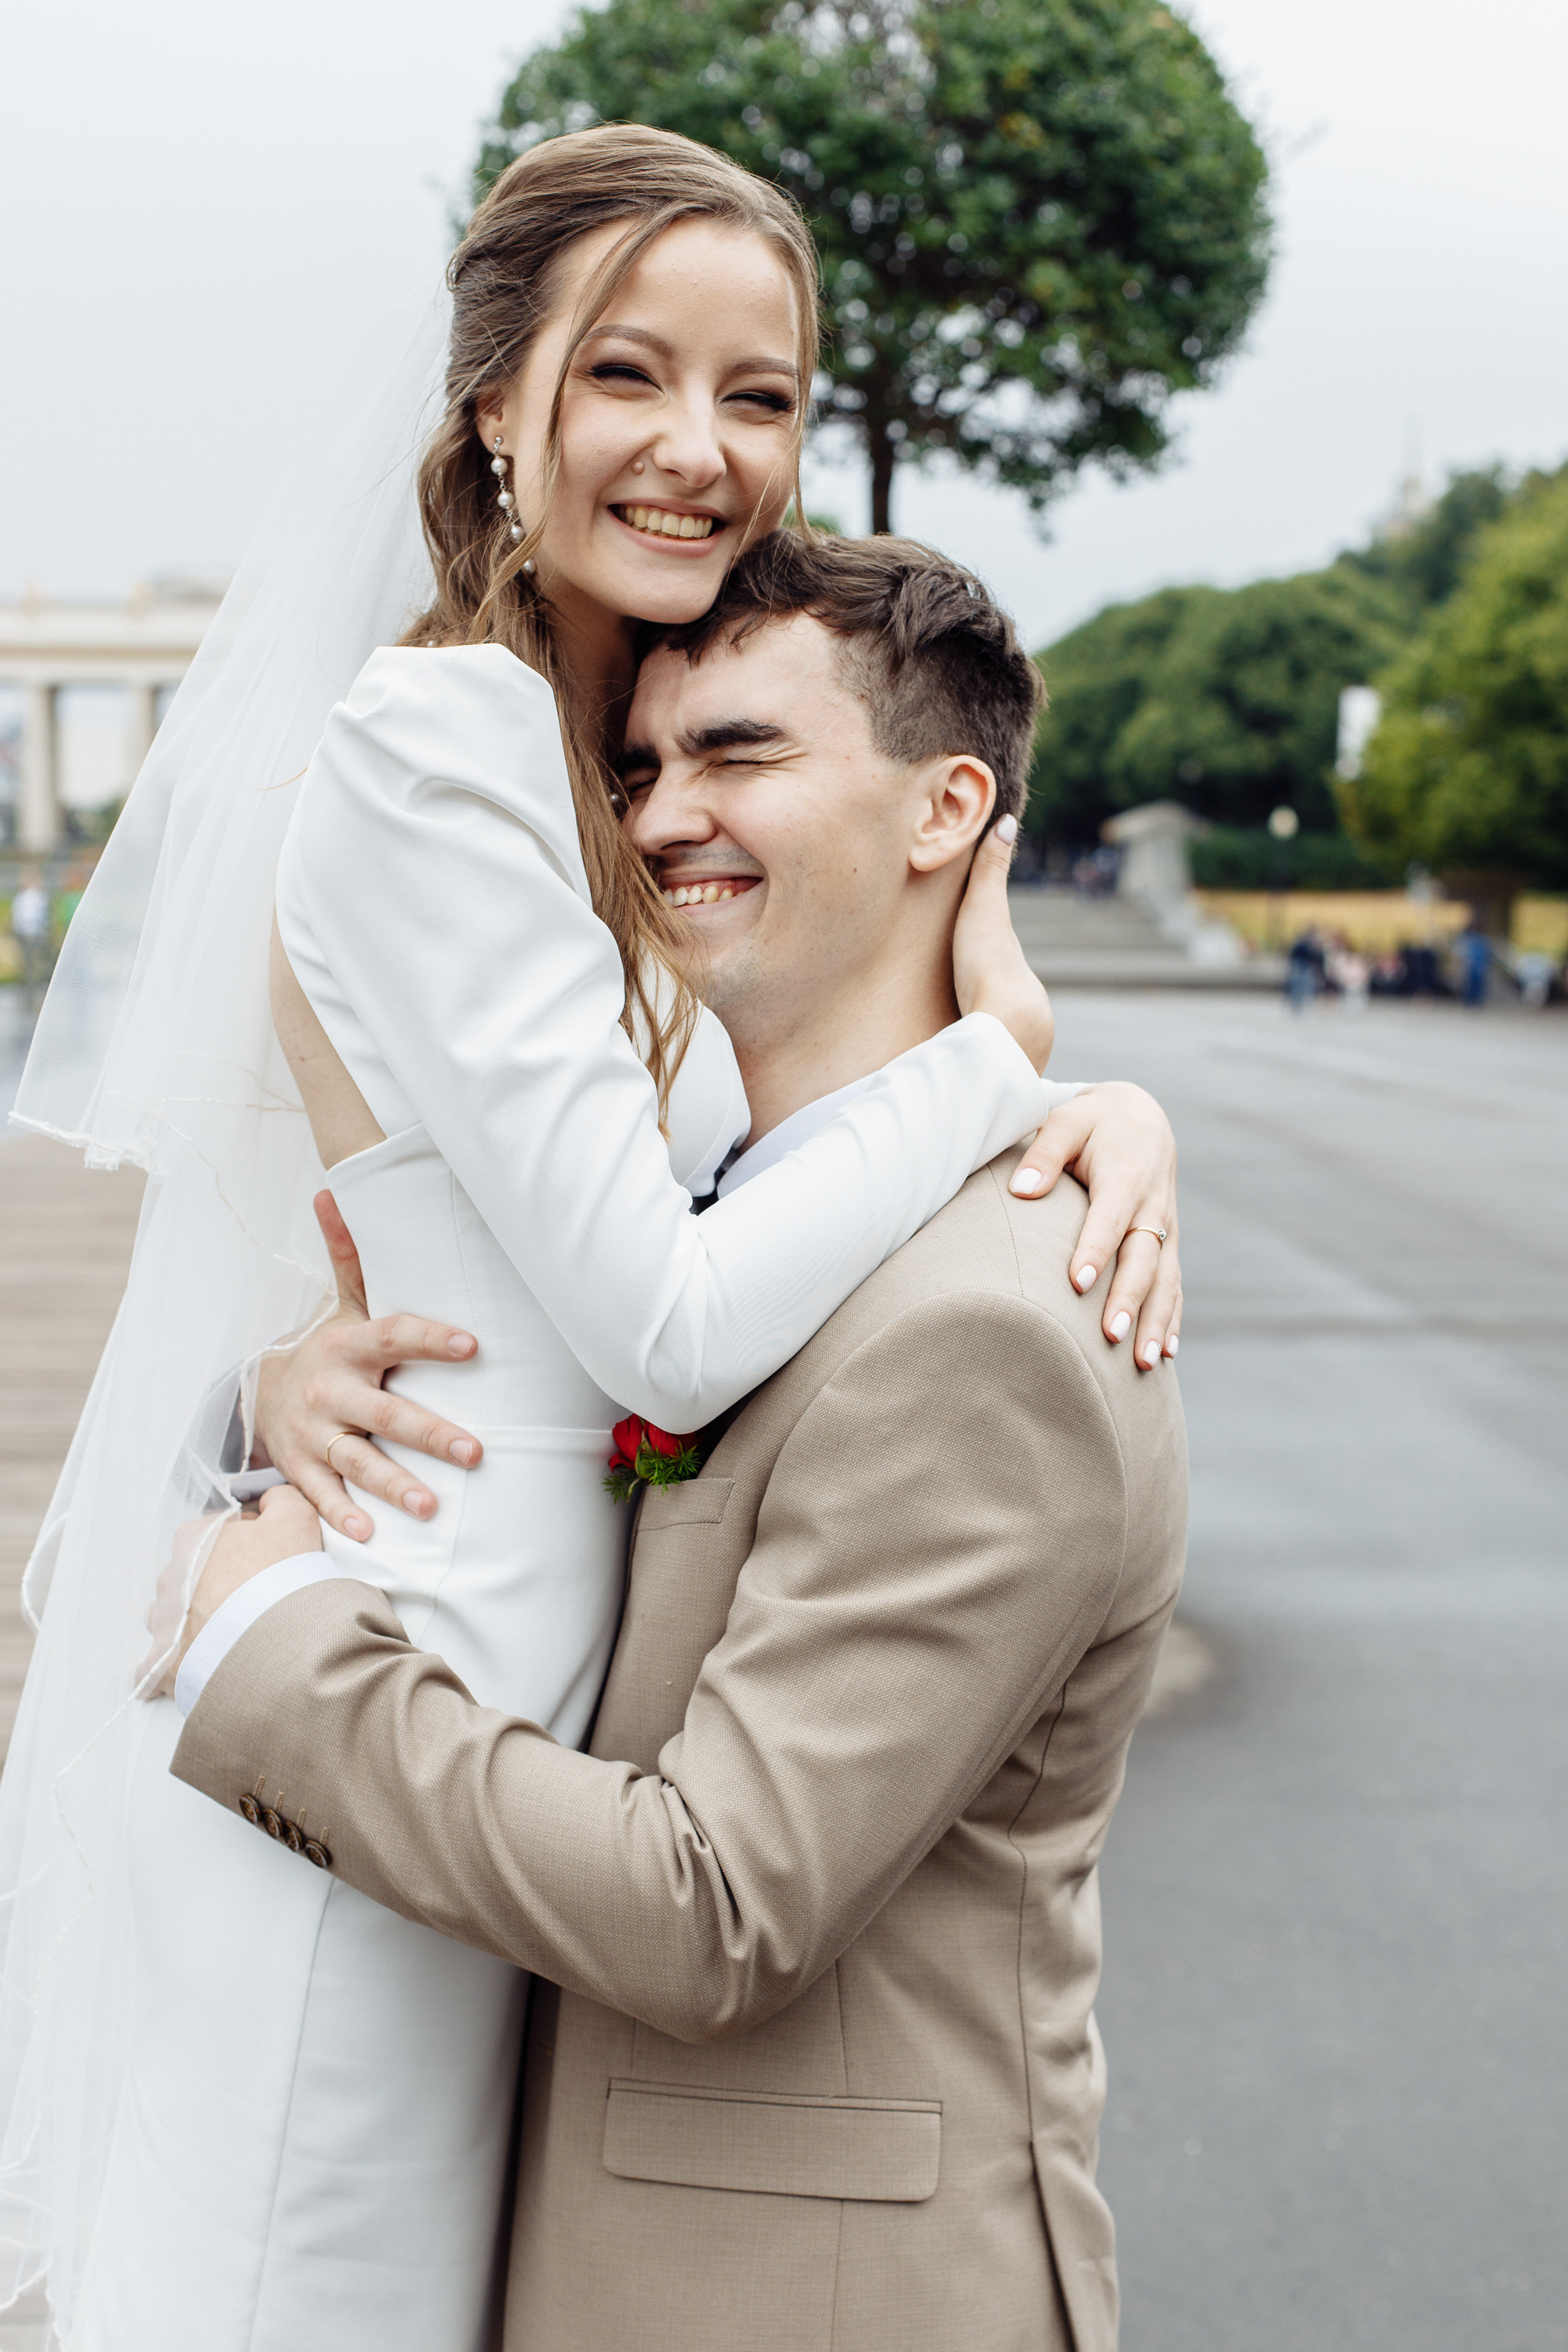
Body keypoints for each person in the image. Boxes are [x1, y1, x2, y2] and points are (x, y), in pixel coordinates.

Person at [0, 128, 1179, 2349]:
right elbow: (666, 1304)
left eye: (760, 391)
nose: (699, 446)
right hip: (402, 1682)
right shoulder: (443, 738)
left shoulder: (608, 770)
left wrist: (1093, 1098)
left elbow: (706, 1164)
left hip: (508, 1719)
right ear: (493, 414)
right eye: (627, 373)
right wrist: (1009, 1048)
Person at [170, 532, 1189, 2352]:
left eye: (739, 755)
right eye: (637, 768)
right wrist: (279, 1395)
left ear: (950, 806)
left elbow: (717, 1906)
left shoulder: (989, 1328)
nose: (654, 822)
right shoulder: (699, 1235)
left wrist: (281, 1654)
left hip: (819, 2300)